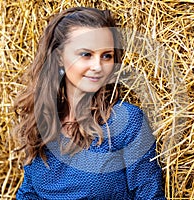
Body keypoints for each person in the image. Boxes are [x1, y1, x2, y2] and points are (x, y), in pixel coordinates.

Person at [13, 7, 166, 199]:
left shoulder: (126, 122)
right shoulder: (43, 119)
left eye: (106, 56)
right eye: (86, 54)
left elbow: (149, 195)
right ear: (59, 56)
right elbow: (28, 193)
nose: (98, 66)